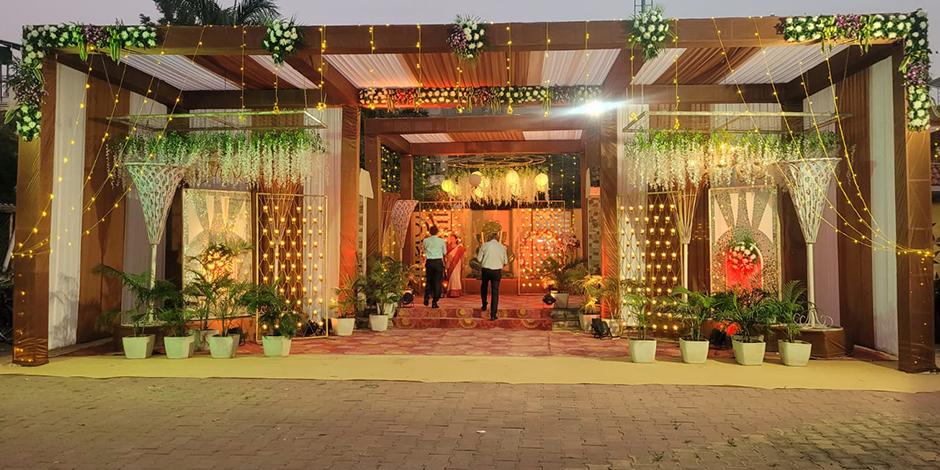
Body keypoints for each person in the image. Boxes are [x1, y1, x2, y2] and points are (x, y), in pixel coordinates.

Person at [477, 231, 508, 321]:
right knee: (495, 292)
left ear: (489, 238)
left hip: (486, 269)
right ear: (497, 239)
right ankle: (493, 314)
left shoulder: (485, 245)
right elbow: (506, 261)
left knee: (484, 287)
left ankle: (484, 304)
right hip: (497, 271)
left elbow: (479, 259)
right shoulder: (502, 247)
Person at [422, 226, 447, 308]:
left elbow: (423, 250)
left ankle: (426, 297)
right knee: (437, 282)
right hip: (438, 262)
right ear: (437, 232)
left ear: (429, 232)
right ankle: (435, 301)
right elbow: (444, 252)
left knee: (429, 280)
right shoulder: (441, 241)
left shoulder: (426, 241)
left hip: (429, 262)